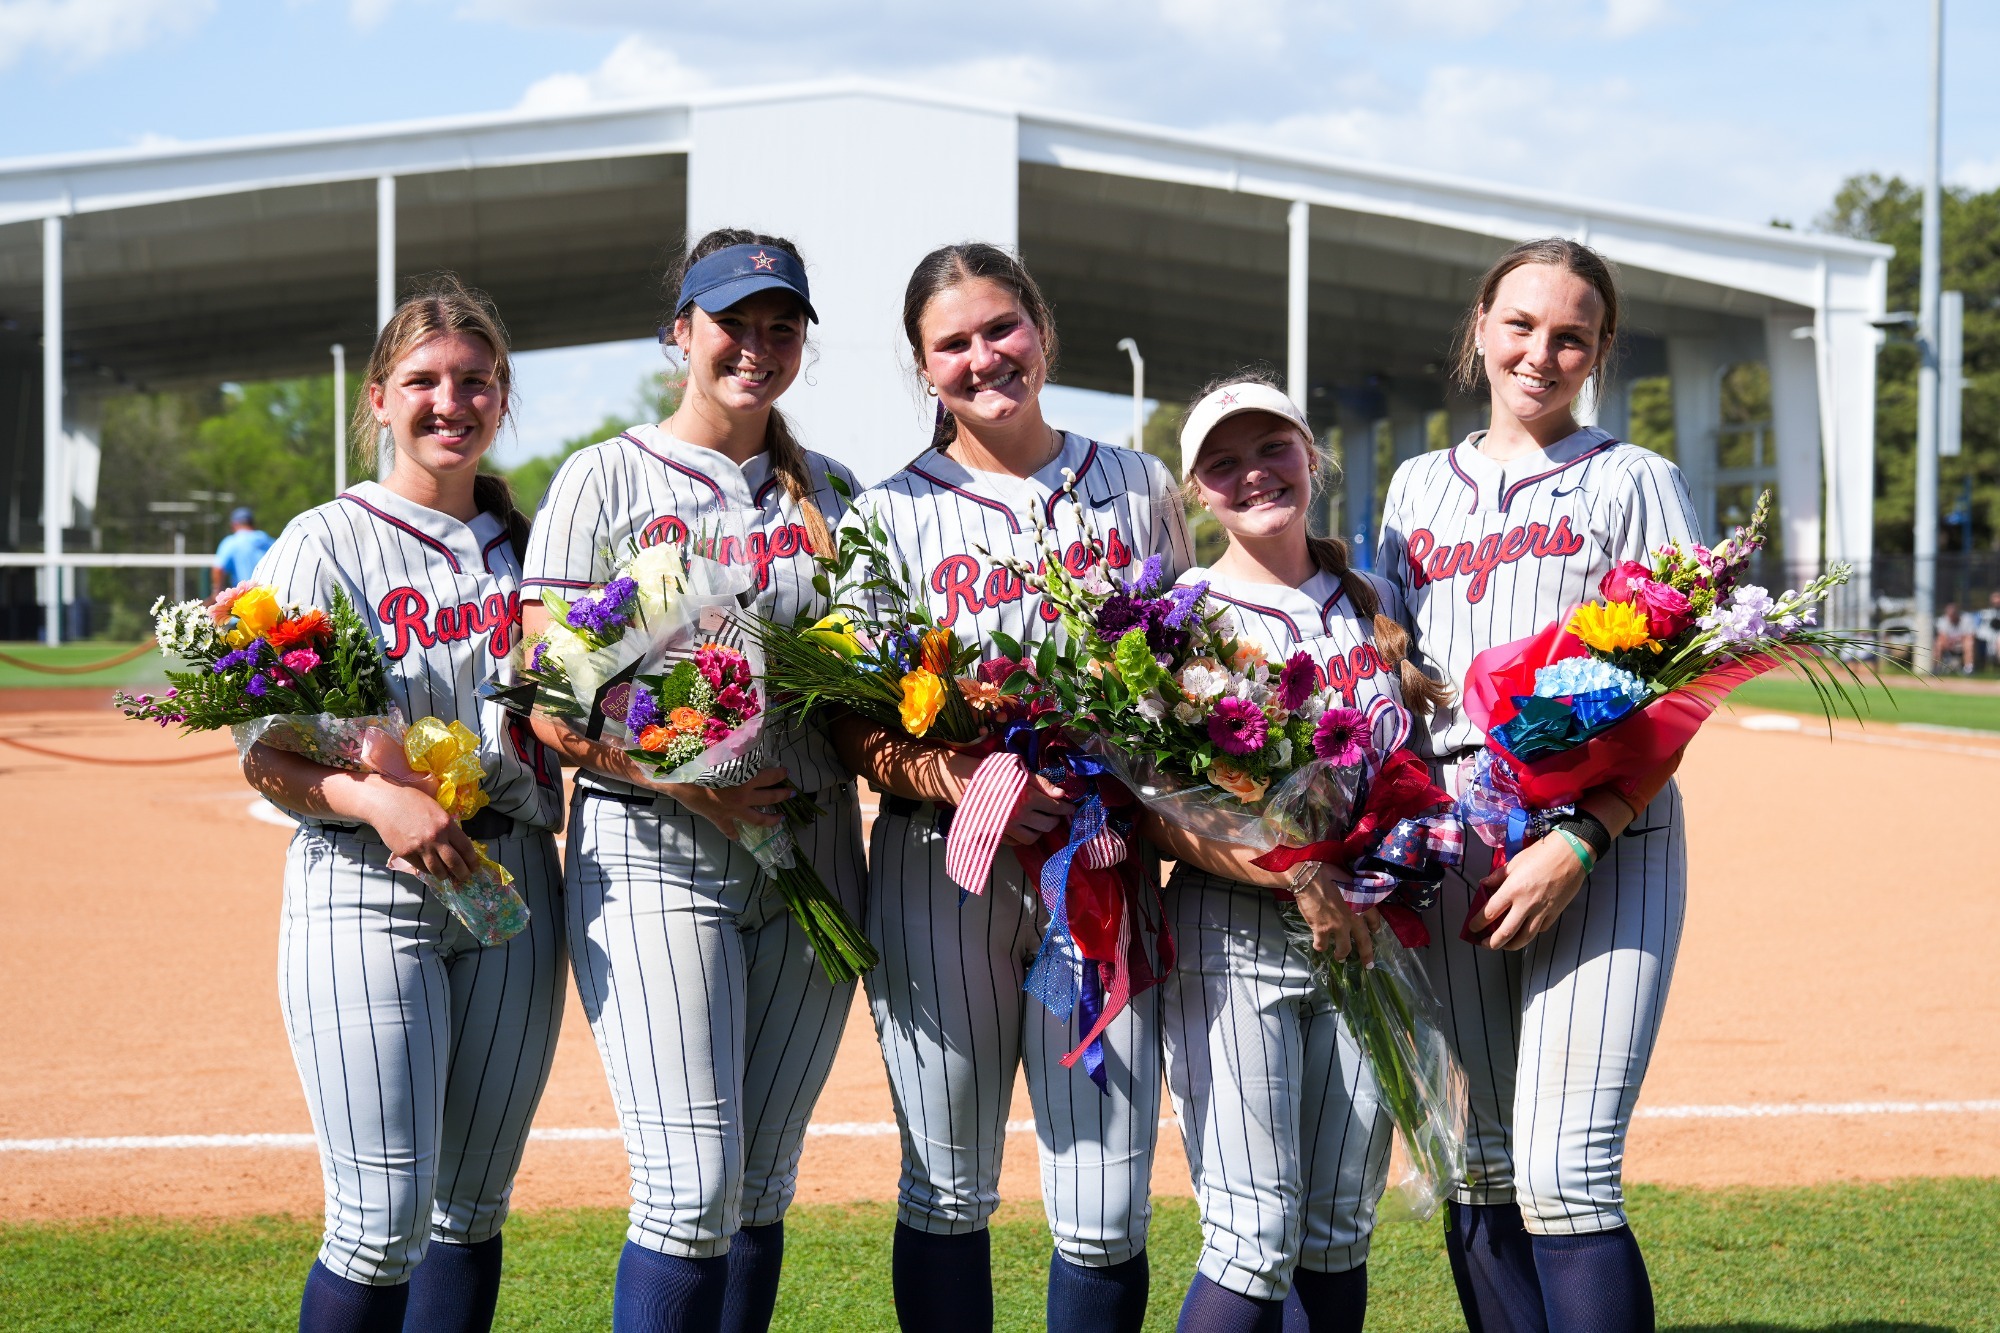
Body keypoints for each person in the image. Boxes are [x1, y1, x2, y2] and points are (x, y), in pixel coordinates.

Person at [830, 243, 1193, 1333]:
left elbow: (1188, 675)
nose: (984, 357)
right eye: (954, 343)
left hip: (1099, 859)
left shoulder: (1137, 487)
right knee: (944, 1186)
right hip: (940, 865)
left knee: (1102, 1204)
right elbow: (850, 723)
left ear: (1039, 326)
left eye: (1002, 328)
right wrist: (953, 772)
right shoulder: (884, 513)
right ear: (922, 366)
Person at [519, 230, 865, 1333]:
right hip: (654, 854)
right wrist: (686, 779)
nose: (755, 347)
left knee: (760, 1186)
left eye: (781, 325)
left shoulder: (836, 494)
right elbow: (545, 692)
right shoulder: (603, 475)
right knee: (689, 1188)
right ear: (680, 332)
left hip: (811, 851)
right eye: (732, 322)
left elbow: (868, 686)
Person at [1376, 237, 1695, 1333]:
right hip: (1454, 844)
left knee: (1566, 1172)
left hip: (1597, 843)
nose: (1540, 352)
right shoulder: (1415, 485)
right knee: (1477, 1164)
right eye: (1520, 324)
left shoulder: (1633, 479)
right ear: (1479, 326)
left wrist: (1586, 837)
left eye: (1570, 335)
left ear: (1598, 351)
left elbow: (1672, 692)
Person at [241, 275, 567, 1333]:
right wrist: (372, 798)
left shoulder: (537, 551)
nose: (450, 401)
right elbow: (264, 754)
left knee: (469, 1213)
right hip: (364, 888)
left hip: (512, 884)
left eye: (476, 382)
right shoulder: (323, 542)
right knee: (379, 1224)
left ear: (501, 400)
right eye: (423, 380)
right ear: (378, 399)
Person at [1140, 374, 1456, 1333]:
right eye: (1223, 462)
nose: (1253, 474)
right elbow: (1154, 809)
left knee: (1336, 1229)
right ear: (1198, 491)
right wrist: (1296, 873)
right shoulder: (1179, 615)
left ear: (1309, 454)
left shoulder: (1377, 599)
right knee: (1252, 1231)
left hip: (1370, 928)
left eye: (1271, 448)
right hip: (1234, 935)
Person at [213, 506, 274, 598]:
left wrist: (217, 591)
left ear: (234, 524)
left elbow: (219, 568)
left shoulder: (231, 542)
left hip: (245, 599)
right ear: (252, 523)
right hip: (270, 595)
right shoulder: (267, 539)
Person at [1934, 601, 1976, 675]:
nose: (1951, 616)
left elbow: (1970, 635)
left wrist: (1957, 640)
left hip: (1961, 644)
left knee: (1969, 643)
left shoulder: (1966, 619)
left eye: (1953, 614)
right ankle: (1937, 667)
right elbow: (1942, 636)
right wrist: (1948, 643)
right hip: (1948, 644)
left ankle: (1968, 668)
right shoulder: (1943, 620)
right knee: (1938, 643)